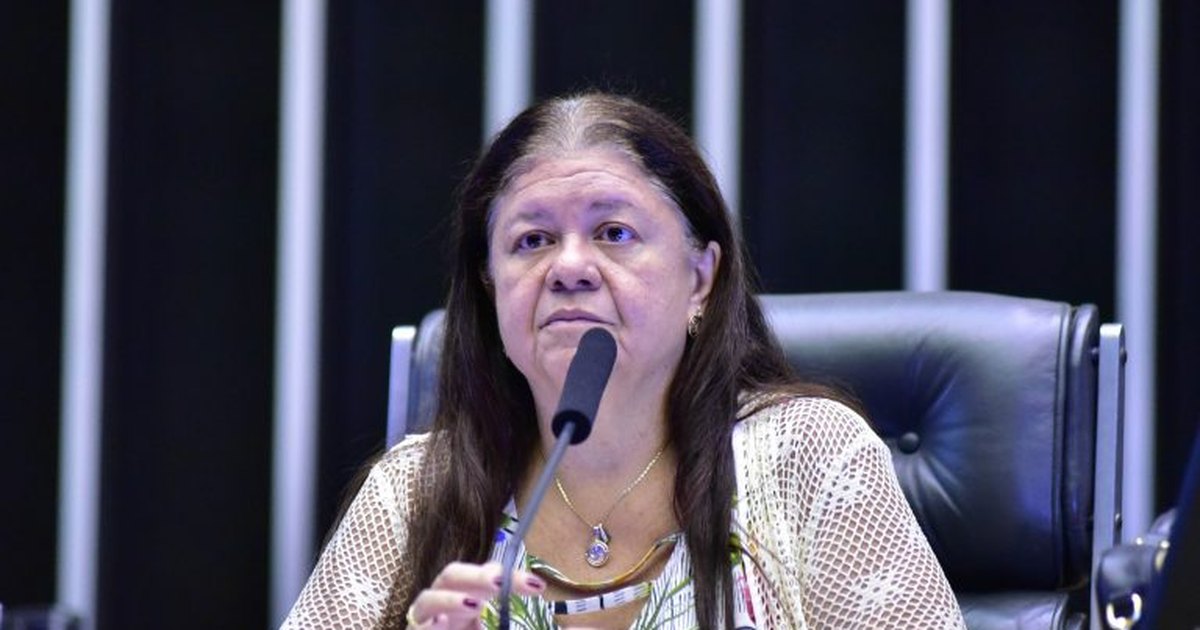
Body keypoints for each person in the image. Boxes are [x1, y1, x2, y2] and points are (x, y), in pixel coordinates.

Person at [282, 92, 966, 629]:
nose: (569, 267)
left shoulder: (809, 460)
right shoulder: (413, 495)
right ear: (490, 288)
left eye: (613, 232)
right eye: (532, 240)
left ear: (700, 278)